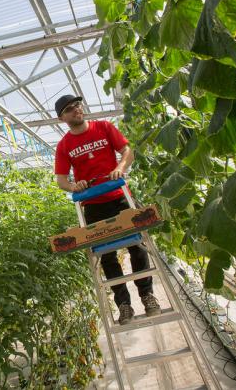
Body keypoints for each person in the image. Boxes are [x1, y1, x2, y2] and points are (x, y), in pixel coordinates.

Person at [53, 94, 161, 325]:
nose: (76, 110)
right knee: (106, 256)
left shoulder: (104, 127)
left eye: (78, 105)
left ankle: (147, 295)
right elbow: (61, 179)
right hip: (92, 205)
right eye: (70, 109)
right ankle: (124, 305)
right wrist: (74, 185)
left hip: (119, 197)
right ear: (62, 118)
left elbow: (127, 151)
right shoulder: (64, 146)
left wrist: (120, 168)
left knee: (138, 245)